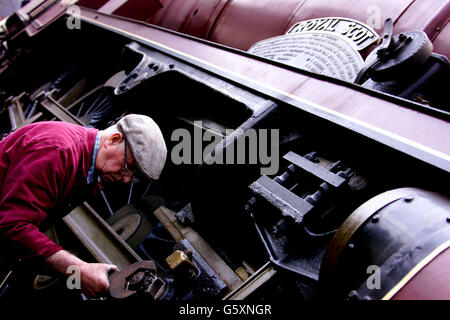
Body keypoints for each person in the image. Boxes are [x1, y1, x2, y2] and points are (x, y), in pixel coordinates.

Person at [0, 114, 167, 297]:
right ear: (113, 140)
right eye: (128, 167)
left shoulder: (90, 170)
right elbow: (12, 226)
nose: (126, 179)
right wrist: (79, 270)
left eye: (133, 176)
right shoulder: (58, 151)